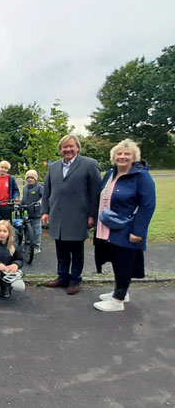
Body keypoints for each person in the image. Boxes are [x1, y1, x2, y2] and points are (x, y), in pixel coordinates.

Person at [93, 139, 155, 312]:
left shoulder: (141, 176)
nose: (122, 157)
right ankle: (122, 291)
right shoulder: (110, 174)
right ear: (113, 157)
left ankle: (117, 301)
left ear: (134, 157)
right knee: (116, 259)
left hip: (127, 227)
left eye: (127, 154)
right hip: (109, 226)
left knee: (124, 262)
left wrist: (138, 231)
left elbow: (148, 205)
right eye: (119, 154)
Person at [42, 134, 102, 295]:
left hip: (79, 216)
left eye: (71, 146)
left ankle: (75, 280)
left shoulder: (89, 164)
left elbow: (96, 193)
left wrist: (92, 216)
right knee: (61, 250)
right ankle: (62, 277)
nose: (67, 149)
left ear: (77, 148)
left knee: (76, 251)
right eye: (64, 147)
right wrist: (45, 211)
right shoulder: (53, 167)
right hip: (58, 216)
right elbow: (47, 190)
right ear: (60, 150)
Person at [21, 169, 43, 253]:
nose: (30, 179)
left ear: (35, 179)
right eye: (28, 178)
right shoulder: (25, 188)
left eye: (32, 178)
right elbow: (24, 198)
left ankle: (36, 246)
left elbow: (43, 197)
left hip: (36, 212)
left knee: (36, 230)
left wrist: (40, 202)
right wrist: (20, 202)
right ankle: (27, 244)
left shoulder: (39, 187)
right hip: (26, 212)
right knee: (26, 230)